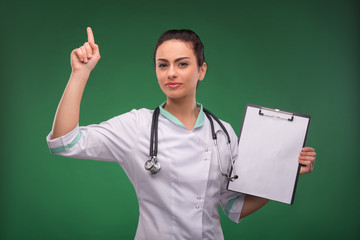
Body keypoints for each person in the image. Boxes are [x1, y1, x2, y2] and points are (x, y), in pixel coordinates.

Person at [46, 27, 316, 239]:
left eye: (182, 64)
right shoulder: (136, 126)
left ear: (202, 70)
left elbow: (234, 207)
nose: (171, 73)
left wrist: (284, 174)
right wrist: (79, 73)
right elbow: (65, 142)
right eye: (162, 65)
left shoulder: (223, 132)